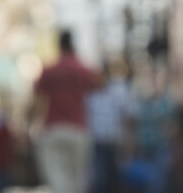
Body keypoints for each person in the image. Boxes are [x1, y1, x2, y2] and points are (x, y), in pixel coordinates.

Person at [31, 29, 101, 193]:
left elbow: (37, 97)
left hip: (53, 127)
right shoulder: (83, 70)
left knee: (57, 178)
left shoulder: (49, 71)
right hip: (78, 128)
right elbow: (98, 85)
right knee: (77, 180)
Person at [86, 58, 134, 193]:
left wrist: (129, 143)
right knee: (100, 179)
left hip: (115, 142)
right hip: (97, 142)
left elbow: (128, 118)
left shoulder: (119, 91)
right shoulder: (89, 95)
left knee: (115, 178)